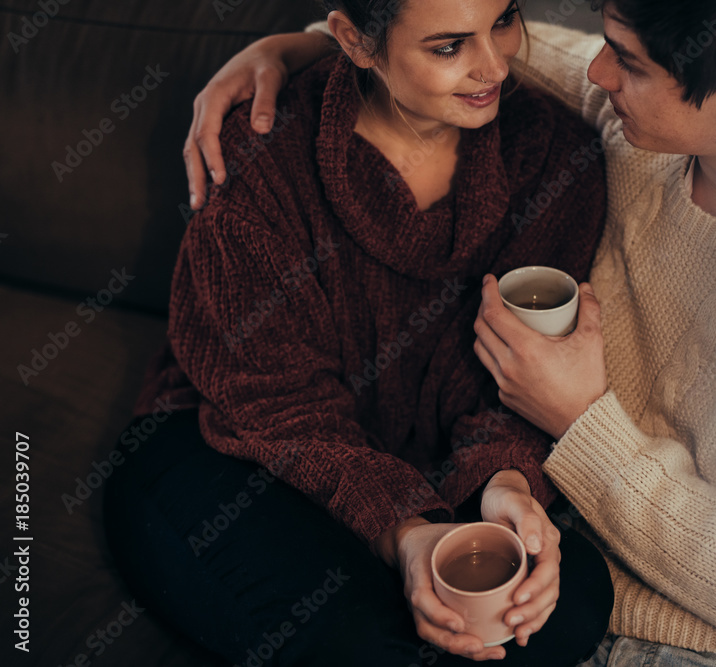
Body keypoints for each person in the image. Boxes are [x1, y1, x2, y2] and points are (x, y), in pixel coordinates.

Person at [183, 1, 716, 665]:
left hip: (704, 640)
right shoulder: (631, 127)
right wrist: (288, 48)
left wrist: (581, 422)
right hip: (555, 565)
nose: (596, 70)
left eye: (629, 63)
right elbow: (434, 38)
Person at [103, 1, 615, 666]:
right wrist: (401, 528)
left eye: (504, 19)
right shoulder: (262, 154)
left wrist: (505, 483)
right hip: (238, 444)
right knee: (364, 642)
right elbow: (273, 402)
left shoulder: (556, 156)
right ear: (353, 41)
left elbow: (529, 371)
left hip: (438, 465)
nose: (496, 63)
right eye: (448, 46)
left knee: (568, 601)